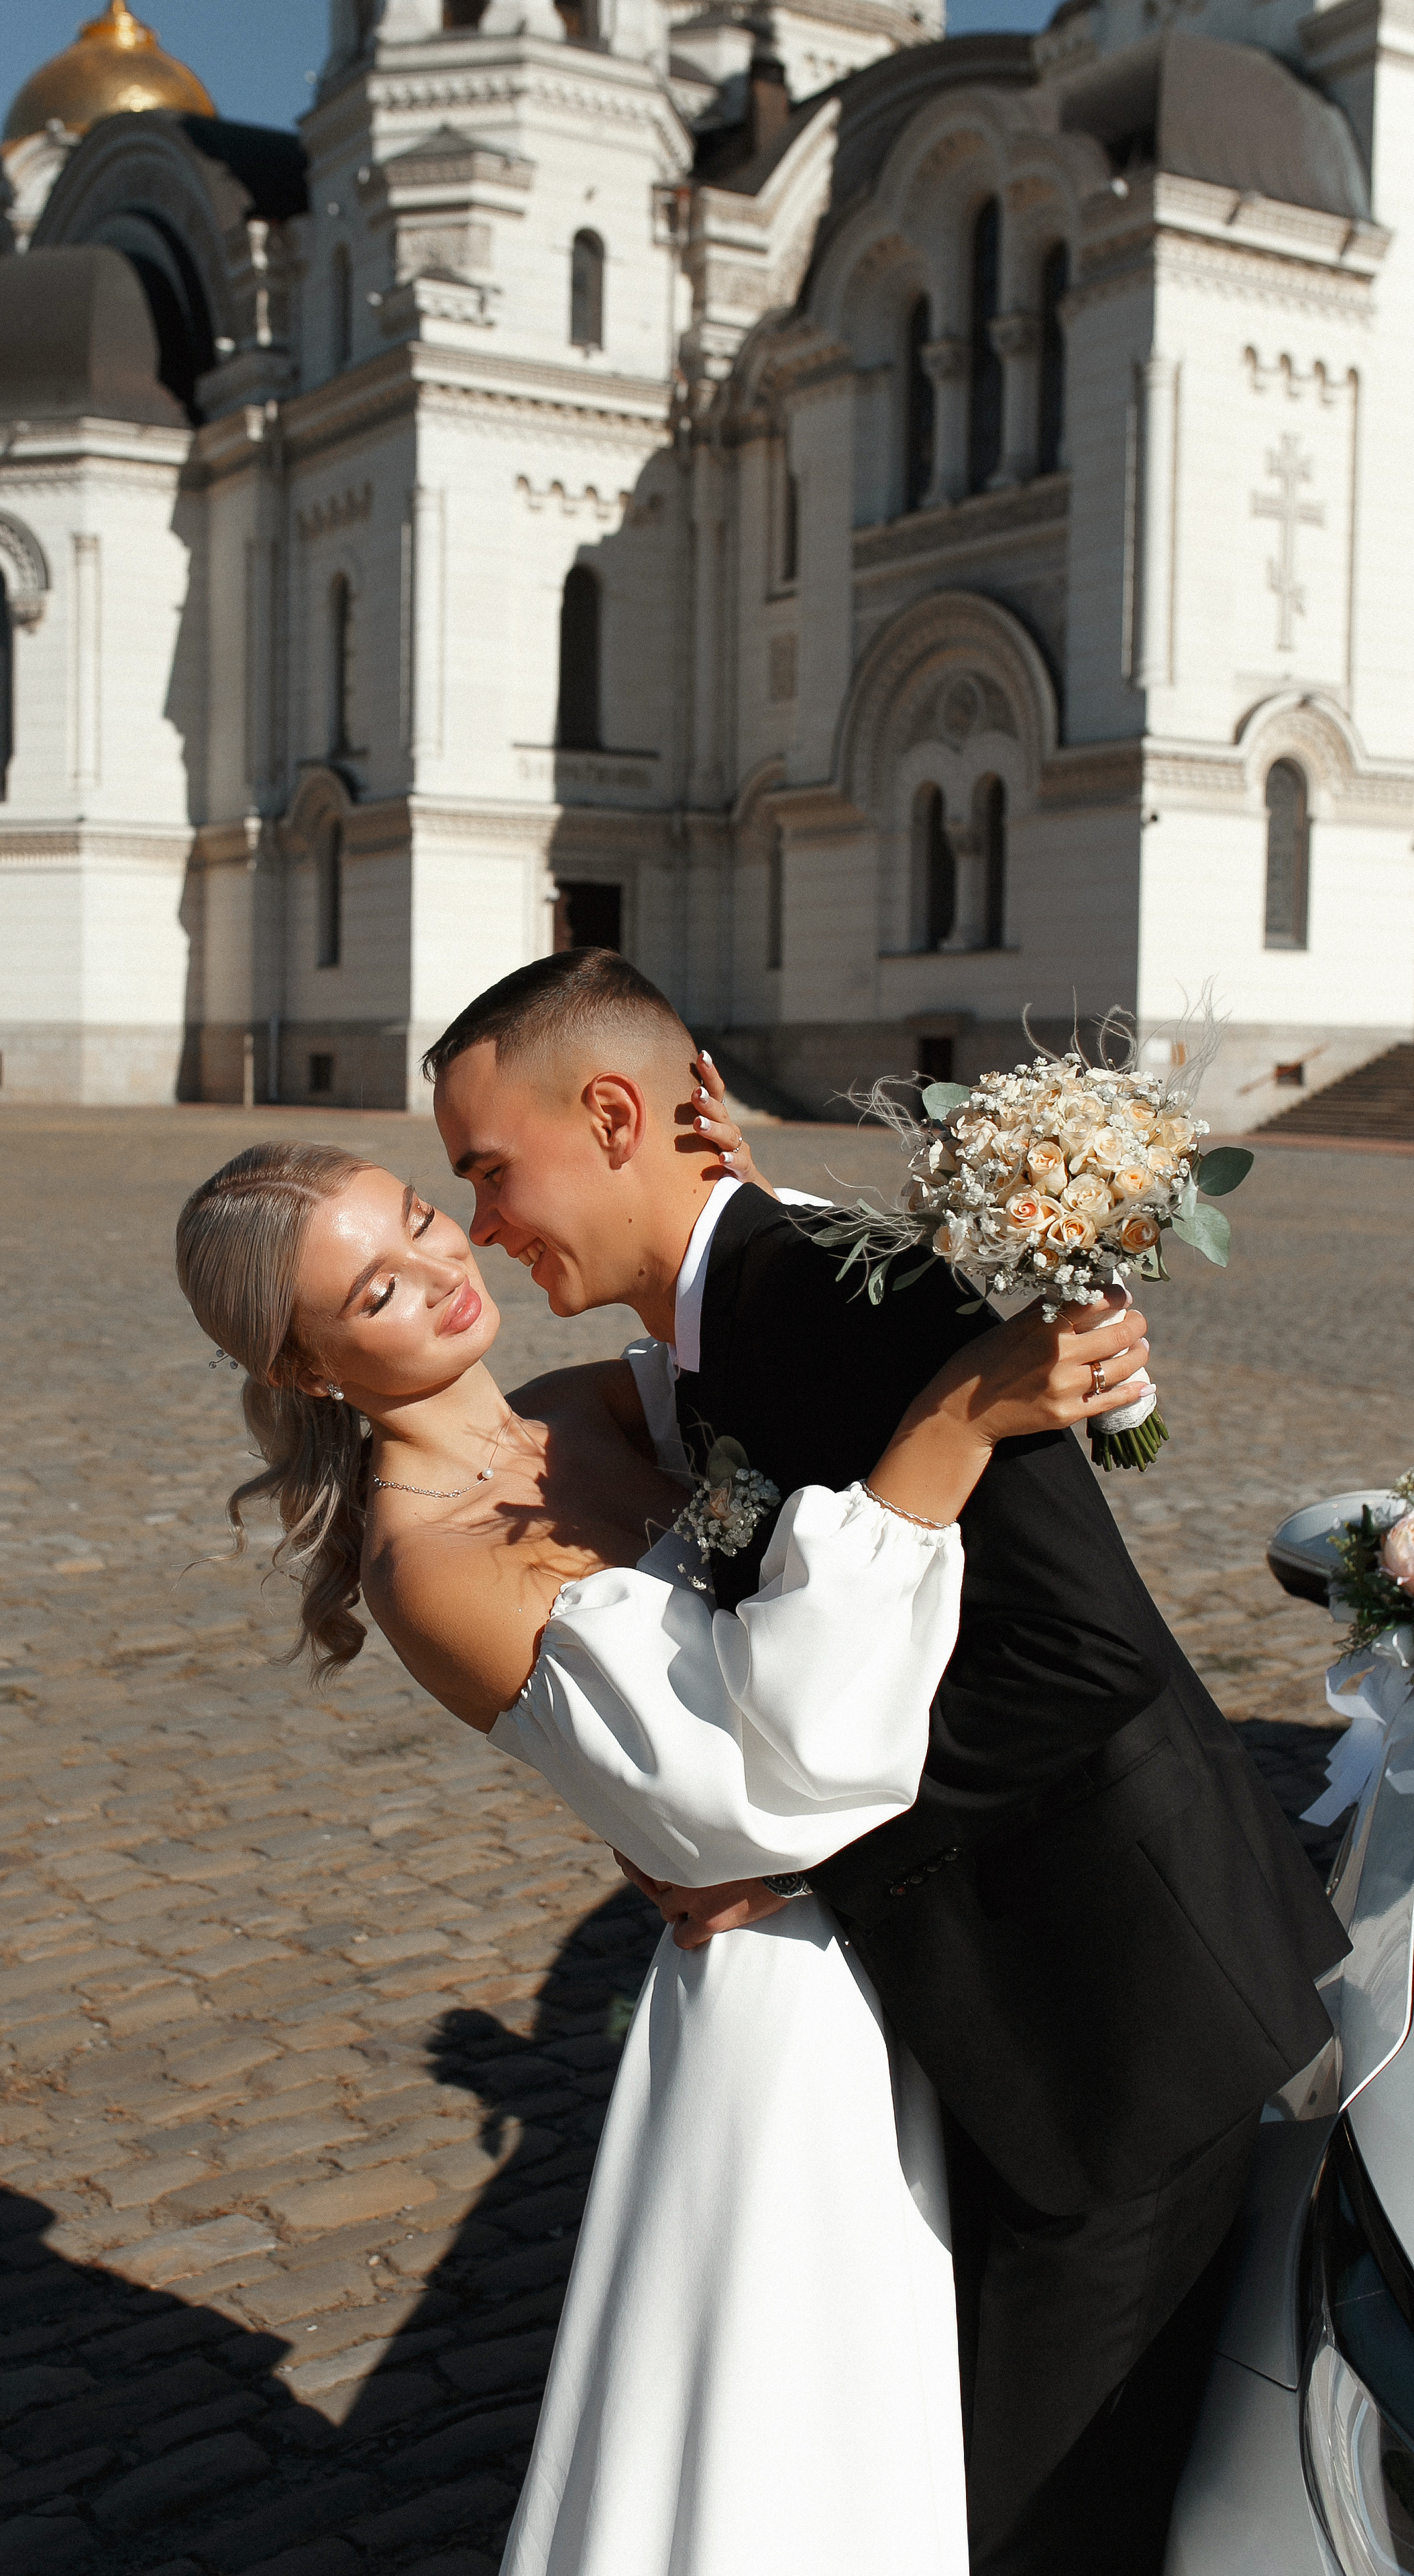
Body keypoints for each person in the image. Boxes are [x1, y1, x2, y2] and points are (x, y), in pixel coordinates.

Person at [424, 947, 1350, 2576]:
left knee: (1041, 2519)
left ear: (619, 1113)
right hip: (1019, 2015)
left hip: (1121, 2012)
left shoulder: (846, 1308)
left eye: (488, 1173)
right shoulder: (725, 1329)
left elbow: (1080, 1662)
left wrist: (788, 1861)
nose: (486, 1226)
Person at [174, 1138, 1152, 2575]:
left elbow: (774, 1337)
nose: (442, 1273)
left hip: (920, 1923)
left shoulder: (592, 1407)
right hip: (794, 2010)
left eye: (425, 1221)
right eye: (374, 1292)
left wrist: (745, 1200)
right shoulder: (428, 1564)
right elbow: (756, 1810)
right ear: (311, 1370)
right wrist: (940, 1439)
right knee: (811, 2450)